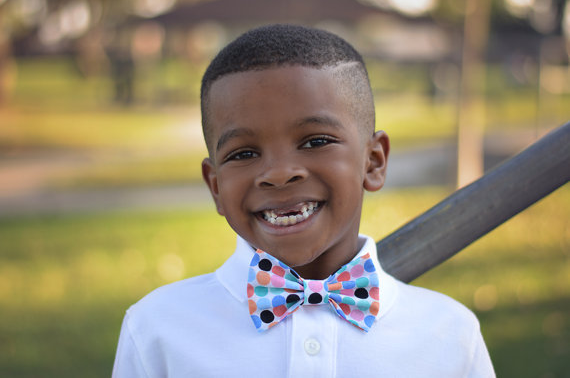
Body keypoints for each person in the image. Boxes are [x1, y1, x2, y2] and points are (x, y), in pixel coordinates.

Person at [112, 24, 495, 377]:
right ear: (215, 186)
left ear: (373, 162)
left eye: (315, 141)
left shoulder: (450, 335)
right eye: (244, 153)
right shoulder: (156, 330)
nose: (279, 173)